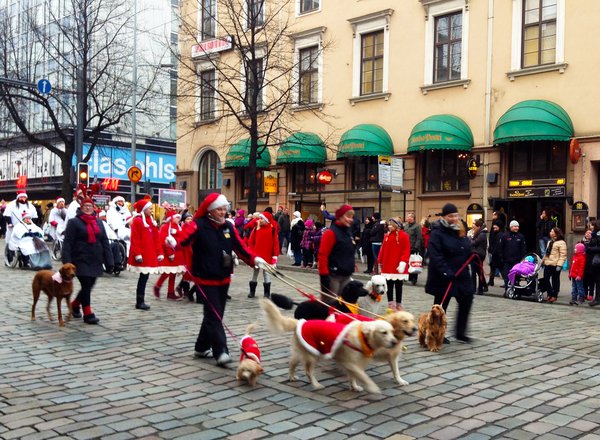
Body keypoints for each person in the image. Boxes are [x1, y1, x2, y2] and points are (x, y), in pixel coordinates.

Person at [177, 193, 266, 367]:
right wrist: (173, 242)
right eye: (219, 209)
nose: (223, 212)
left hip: (223, 277)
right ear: (210, 210)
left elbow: (240, 247)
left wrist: (254, 259)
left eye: (225, 209)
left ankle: (201, 347)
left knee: (214, 315)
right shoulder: (198, 225)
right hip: (205, 277)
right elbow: (182, 240)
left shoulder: (228, 227)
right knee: (214, 315)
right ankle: (221, 351)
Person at [425, 203, 475, 343]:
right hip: (444, 275)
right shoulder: (437, 232)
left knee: (467, 299)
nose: (454, 218)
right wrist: (446, 272)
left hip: (461, 274)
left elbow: (465, 248)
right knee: (441, 306)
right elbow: (435, 255)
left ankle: (460, 332)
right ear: (444, 216)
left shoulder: (460, 230)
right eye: (450, 216)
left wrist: (473, 254)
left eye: (455, 215)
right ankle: (436, 333)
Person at [62, 197, 114, 324]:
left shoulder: (99, 222)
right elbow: (68, 242)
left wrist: (110, 260)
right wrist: (67, 261)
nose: (88, 208)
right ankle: (88, 313)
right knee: (86, 284)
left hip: (95, 258)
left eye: (90, 206)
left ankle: (75, 304)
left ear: (93, 208)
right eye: (85, 206)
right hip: (79, 258)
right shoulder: (74, 222)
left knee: (90, 284)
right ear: (81, 208)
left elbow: (104, 241)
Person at [128, 198, 165, 311]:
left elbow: (156, 238)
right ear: (144, 210)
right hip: (143, 253)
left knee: (145, 277)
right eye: (149, 209)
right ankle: (139, 301)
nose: (151, 210)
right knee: (143, 278)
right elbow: (135, 239)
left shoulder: (150, 220)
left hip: (149, 253)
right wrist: (137, 254)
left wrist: (159, 252)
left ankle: (141, 301)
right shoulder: (138, 221)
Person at [317, 204, 356, 304]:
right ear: (340, 217)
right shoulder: (330, 233)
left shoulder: (348, 232)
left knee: (346, 306)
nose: (351, 220)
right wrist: (324, 276)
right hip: (333, 276)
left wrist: (352, 264)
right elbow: (322, 255)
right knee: (330, 305)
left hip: (346, 275)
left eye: (352, 217)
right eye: (348, 216)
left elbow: (346, 250)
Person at [378, 217, 410, 311]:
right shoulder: (387, 236)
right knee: (389, 285)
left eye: (391, 225)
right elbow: (383, 248)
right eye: (389, 225)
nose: (389, 226)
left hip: (398, 264)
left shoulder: (404, 236)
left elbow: (406, 250)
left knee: (399, 285)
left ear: (397, 226)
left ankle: (399, 304)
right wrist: (380, 259)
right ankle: (391, 304)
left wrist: (403, 261)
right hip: (388, 264)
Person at [154, 210, 186, 301]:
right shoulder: (165, 227)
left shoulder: (178, 227)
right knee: (167, 273)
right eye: (177, 217)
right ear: (171, 218)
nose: (178, 219)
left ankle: (170, 293)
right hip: (169, 254)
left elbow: (182, 239)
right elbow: (163, 242)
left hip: (177, 254)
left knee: (173, 273)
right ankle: (158, 286)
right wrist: (170, 253)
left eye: (179, 218)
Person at [247, 211, 279, 298]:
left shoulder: (272, 230)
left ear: (267, 220)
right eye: (259, 218)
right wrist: (251, 253)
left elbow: (275, 244)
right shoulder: (256, 229)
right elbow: (251, 242)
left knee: (266, 273)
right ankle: (252, 291)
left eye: (261, 219)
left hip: (267, 256)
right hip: (257, 256)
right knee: (255, 272)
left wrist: (274, 257)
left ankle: (267, 292)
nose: (259, 220)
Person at [541, 227, 567, 303]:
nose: (550, 232)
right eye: (550, 231)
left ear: (556, 233)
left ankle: (554, 295)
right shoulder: (550, 241)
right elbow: (546, 253)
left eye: (552, 231)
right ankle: (549, 293)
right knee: (546, 278)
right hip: (548, 263)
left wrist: (560, 265)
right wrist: (543, 261)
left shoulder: (561, 242)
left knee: (555, 280)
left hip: (556, 264)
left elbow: (563, 254)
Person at [499, 220, 527, 291]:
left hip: (517, 261)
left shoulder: (521, 236)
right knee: (507, 276)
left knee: (516, 276)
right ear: (511, 227)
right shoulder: (505, 236)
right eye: (515, 226)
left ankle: (516, 290)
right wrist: (501, 258)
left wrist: (523, 259)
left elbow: (523, 249)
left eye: (517, 226)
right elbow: (501, 248)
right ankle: (507, 290)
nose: (516, 228)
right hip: (507, 261)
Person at [470, 219, 488, 295]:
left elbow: (475, 242)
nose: (473, 226)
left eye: (475, 225)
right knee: (475, 272)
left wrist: (469, 238)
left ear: (479, 226)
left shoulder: (482, 234)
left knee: (478, 272)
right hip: (476, 254)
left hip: (478, 255)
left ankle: (479, 289)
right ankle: (476, 288)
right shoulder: (479, 233)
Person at [404, 212, 423, 286]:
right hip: (406, 247)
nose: (409, 218)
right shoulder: (406, 226)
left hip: (413, 247)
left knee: (414, 263)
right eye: (408, 217)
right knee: (408, 263)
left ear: (413, 218)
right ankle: (409, 277)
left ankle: (414, 278)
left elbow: (419, 238)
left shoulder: (417, 226)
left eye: (410, 217)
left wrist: (416, 247)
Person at [585, 220, 600, 307]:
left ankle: (597, 299)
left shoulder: (598, 235)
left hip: (597, 260)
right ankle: (597, 298)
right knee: (596, 280)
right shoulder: (594, 235)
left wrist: (590, 249)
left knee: (598, 280)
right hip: (594, 260)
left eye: (592, 225)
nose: (591, 227)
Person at [487, 220, 504, 286]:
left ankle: (507, 282)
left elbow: (498, 246)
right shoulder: (496, 233)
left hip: (497, 254)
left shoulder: (500, 235)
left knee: (500, 269)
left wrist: (494, 252)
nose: (494, 228)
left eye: (495, 227)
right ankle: (491, 281)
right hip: (495, 253)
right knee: (493, 268)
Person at [582, 228, 595, 302]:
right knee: (585, 281)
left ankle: (591, 294)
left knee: (591, 281)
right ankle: (585, 294)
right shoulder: (581, 242)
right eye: (587, 233)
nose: (588, 234)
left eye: (590, 233)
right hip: (584, 264)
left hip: (591, 263)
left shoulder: (594, 242)